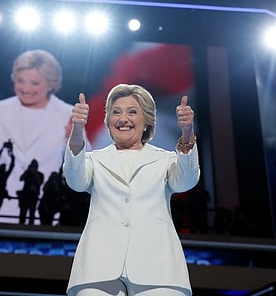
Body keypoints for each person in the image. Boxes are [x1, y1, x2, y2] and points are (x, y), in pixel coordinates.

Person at [63, 84, 200, 296]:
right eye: (116, 112)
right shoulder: (95, 159)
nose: (123, 118)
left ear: (147, 121)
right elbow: (75, 181)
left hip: (157, 266)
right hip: (98, 267)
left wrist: (188, 133)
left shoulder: (165, 159)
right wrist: (78, 130)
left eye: (132, 112)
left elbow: (186, 181)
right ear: (108, 121)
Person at [0, 49, 82, 223]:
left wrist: (74, 138)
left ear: (51, 84)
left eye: (34, 83)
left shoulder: (68, 113)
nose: (26, 89)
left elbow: (81, 161)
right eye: (20, 81)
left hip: (43, 204)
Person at [17, 158, 44, 224]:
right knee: (23, 213)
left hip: (33, 196)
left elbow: (40, 182)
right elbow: (21, 178)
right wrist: (27, 171)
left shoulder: (40, 174)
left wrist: (34, 173)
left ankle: (30, 225)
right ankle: (21, 225)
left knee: (32, 213)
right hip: (25, 196)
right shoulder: (28, 173)